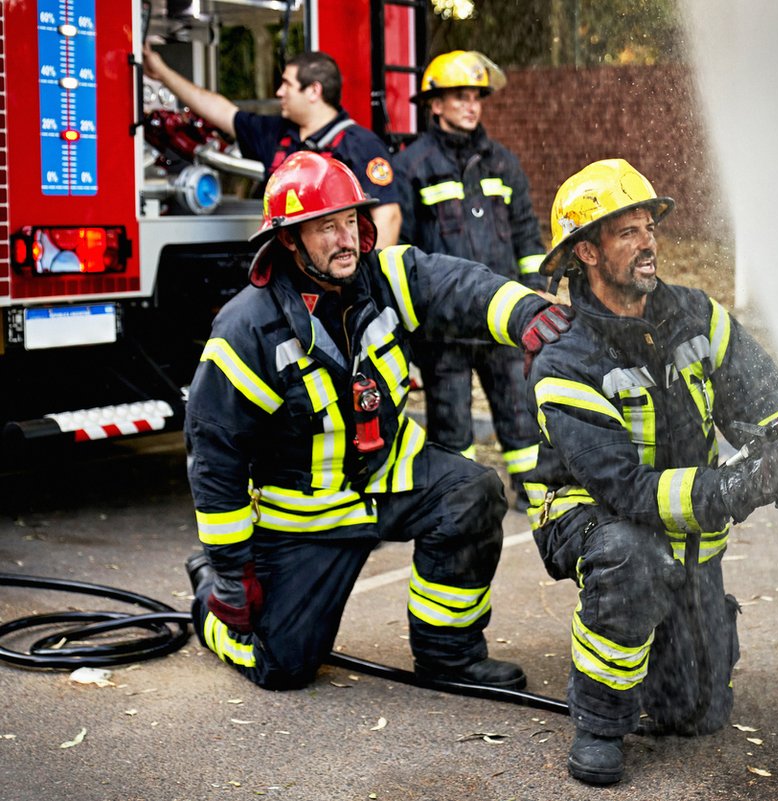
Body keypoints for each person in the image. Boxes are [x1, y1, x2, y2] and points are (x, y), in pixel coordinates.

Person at [182, 151, 573, 691]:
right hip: (306, 517)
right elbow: (214, 456)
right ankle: (205, 602)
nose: (346, 239)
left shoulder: (386, 276)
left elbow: (457, 286)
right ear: (290, 240)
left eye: (350, 222)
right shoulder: (247, 329)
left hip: (389, 474)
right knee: (284, 666)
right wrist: (228, 573)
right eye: (325, 227)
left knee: (474, 491)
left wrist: (526, 312)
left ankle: (448, 655)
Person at [523, 159, 778, 785]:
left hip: (683, 524)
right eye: (627, 232)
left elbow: (763, 398)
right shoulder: (565, 363)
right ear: (586, 251)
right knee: (631, 553)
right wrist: (736, 485)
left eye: (649, 226)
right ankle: (599, 721)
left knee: (694, 713)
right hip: (590, 519)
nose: (649, 243)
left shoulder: (696, 317)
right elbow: (627, 493)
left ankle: (671, 644)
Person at [391, 51, 546, 506]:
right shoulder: (411, 166)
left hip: (501, 316)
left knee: (520, 412)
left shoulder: (502, 162)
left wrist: (537, 293)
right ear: (434, 104)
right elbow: (402, 245)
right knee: (451, 421)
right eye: (459, 97)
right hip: (443, 325)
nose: (471, 106)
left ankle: (536, 497)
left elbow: (526, 232)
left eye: (476, 98)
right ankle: (462, 500)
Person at [141, 45, 401, 247]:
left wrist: (361, 285)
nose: (279, 92)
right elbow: (218, 109)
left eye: (287, 84)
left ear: (313, 91)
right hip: (287, 278)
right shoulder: (276, 134)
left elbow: (388, 217)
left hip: (335, 278)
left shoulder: (361, 145)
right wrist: (161, 72)